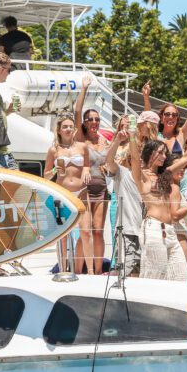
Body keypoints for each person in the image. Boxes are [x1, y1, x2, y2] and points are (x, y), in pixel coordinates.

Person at [129, 137, 187, 282]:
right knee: (154, 277)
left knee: (182, 277)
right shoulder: (142, 175)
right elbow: (135, 159)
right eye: (160, 152)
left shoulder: (165, 174)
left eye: (165, 153)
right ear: (150, 153)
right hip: (153, 228)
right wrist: (131, 135)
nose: (164, 156)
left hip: (170, 231)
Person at [44, 114, 91, 274]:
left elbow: (87, 165)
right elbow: (45, 176)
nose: (68, 129)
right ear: (58, 130)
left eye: (71, 126)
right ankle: (63, 269)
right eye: (65, 126)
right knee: (63, 235)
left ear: (75, 129)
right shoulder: (53, 150)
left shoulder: (83, 147)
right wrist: (53, 171)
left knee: (85, 232)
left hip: (81, 191)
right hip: (61, 194)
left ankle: (91, 271)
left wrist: (86, 170)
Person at [74, 75, 111, 274]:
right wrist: (84, 89)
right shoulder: (81, 139)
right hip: (84, 190)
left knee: (98, 232)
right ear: (85, 123)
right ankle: (80, 270)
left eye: (97, 119)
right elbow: (77, 111)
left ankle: (97, 271)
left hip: (102, 188)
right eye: (91, 120)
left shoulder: (104, 141)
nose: (95, 122)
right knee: (84, 232)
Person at [106, 126, 143, 278]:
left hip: (144, 233)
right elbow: (108, 160)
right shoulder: (121, 172)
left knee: (139, 275)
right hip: (126, 231)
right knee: (124, 275)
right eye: (135, 157)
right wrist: (117, 141)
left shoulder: (147, 177)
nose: (138, 159)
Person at [143, 72, 187, 156]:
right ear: (161, 118)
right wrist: (146, 97)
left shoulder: (182, 134)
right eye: (167, 114)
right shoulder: (155, 133)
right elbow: (148, 116)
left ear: (177, 119)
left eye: (174, 115)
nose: (170, 117)